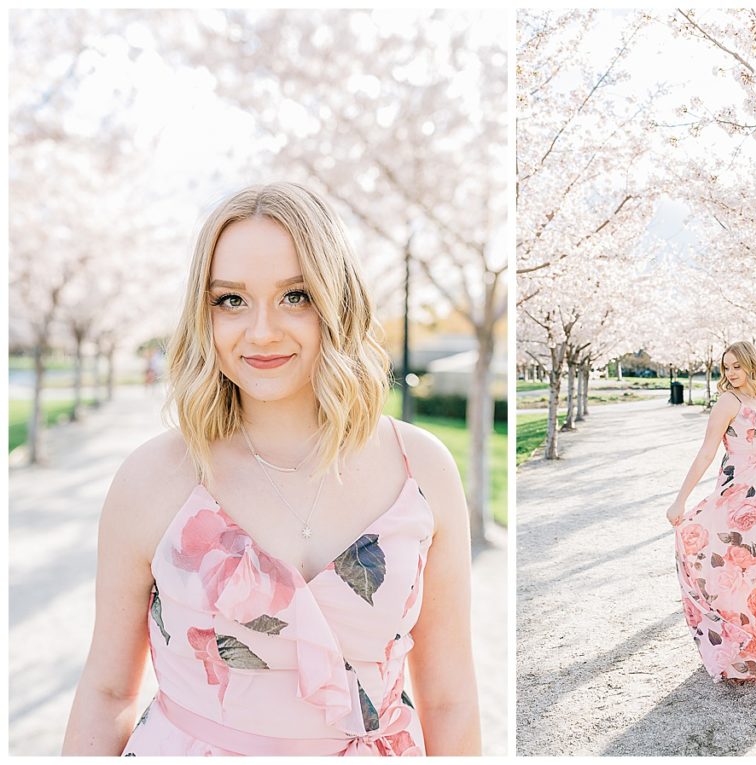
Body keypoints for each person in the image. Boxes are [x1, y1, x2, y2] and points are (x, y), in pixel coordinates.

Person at [62, 182, 482, 755]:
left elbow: (450, 700)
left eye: (296, 295)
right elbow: (109, 693)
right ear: (202, 312)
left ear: (338, 302)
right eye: (230, 300)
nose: (261, 331)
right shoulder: (152, 478)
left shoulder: (421, 470)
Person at [665, 340, 756, 691]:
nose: (731, 373)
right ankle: (739, 648)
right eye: (726, 367)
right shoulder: (727, 402)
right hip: (738, 499)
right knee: (739, 569)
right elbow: (706, 452)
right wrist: (680, 500)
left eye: (737, 366)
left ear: (751, 364)